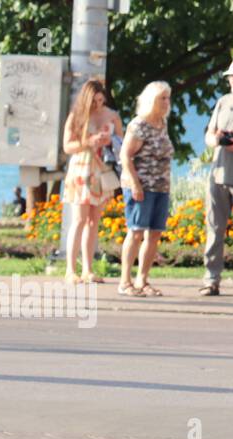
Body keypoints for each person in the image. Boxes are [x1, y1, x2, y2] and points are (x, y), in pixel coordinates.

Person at [61, 78, 122, 284]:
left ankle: (88, 269)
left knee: (93, 221)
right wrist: (88, 142)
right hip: (82, 168)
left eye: (100, 100)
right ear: (86, 100)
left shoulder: (112, 116)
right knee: (78, 220)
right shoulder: (77, 116)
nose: (98, 105)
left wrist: (108, 140)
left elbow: (122, 143)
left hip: (102, 168)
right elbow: (67, 146)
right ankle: (71, 269)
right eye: (94, 101)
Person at [117, 82, 174, 297]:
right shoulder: (139, 125)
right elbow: (125, 155)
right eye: (162, 98)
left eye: (168, 98)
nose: (167, 103)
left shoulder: (162, 122)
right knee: (136, 231)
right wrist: (135, 184)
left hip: (161, 186)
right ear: (151, 100)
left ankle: (143, 279)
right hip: (141, 186)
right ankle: (125, 281)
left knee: (155, 233)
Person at [200, 57, 233, 297]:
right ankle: (211, 280)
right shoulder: (223, 102)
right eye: (232, 77)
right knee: (214, 229)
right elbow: (208, 135)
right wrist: (216, 140)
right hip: (218, 175)